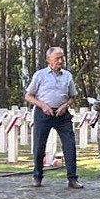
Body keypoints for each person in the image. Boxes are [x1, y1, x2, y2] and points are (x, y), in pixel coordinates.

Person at [25, 48, 84, 188]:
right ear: (48, 60)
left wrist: (65, 106)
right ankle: (37, 176)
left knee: (69, 145)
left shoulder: (67, 76)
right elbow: (28, 96)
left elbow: (73, 97)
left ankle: (72, 178)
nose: (60, 61)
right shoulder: (39, 75)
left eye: (62, 58)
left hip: (62, 114)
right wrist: (43, 106)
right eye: (57, 58)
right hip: (43, 113)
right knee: (39, 146)